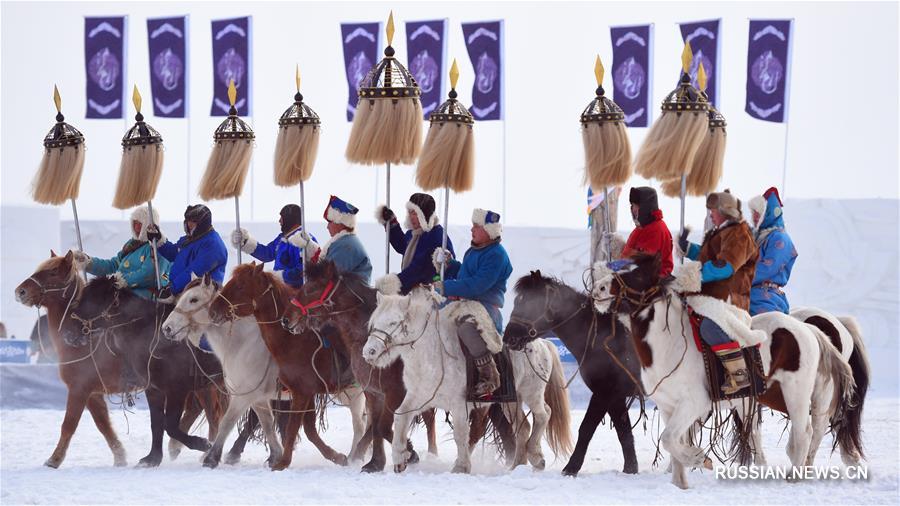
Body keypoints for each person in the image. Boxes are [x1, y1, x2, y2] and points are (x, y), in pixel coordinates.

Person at [678, 190, 759, 395]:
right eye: (710, 210)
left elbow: (725, 266)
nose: (710, 214)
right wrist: (688, 249)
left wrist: (694, 275)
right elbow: (709, 256)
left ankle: (739, 373)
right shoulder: (721, 231)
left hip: (730, 301)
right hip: (711, 299)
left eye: (713, 210)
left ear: (724, 211)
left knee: (709, 328)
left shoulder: (740, 234)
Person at [435, 208, 513, 398]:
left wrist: (446, 287)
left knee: (466, 329)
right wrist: (451, 265)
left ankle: (489, 375)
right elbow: (466, 275)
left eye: (477, 226)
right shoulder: (475, 250)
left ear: (489, 231)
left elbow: (478, 285)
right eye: (473, 226)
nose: (472, 230)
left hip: (485, 308)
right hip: (467, 304)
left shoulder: (496, 255)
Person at [71, 207, 171, 300]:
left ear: (148, 225)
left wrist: (122, 280)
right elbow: (113, 265)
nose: (136, 228)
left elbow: (149, 274)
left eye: (140, 224)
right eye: (134, 223)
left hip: (144, 299)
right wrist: (89, 263)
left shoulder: (157, 246)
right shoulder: (131, 245)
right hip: (123, 293)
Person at [375, 193, 455, 295]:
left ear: (424, 215)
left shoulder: (437, 236)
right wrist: (391, 224)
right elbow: (402, 246)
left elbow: (420, 267)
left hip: (431, 294)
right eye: (409, 212)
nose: (411, 217)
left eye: (415, 213)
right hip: (412, 289)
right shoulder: (415, 233)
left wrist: (396, 282)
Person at [149, 204, 228, 301]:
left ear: (203, 223)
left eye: (193, 221)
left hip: (203, 299)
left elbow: (195, 271)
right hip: (184, 293)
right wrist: (158, 240)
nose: (189, 224)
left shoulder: (213, 244)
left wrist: (172, 289)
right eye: (187, 220)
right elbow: (173, 253)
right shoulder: (189, 239)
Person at [230, 204, 317, 288]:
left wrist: (278, 277)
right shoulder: (282, 238)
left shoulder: (303, 240)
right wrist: (245, 242)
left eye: (282, 218)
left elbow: (303, 271)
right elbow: (267, 253)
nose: (279, 221)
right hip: (281, 290)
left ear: (289, 219)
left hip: (295, 294)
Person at [747, 187, 797, 316]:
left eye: (759, 213)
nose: (755, 217)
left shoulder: (780, 238)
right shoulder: (756, 237)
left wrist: (737, 277)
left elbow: (767, 269)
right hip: (749, 293)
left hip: (765, 298)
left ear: (769, 213)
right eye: (753, 212)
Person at [302, 195, 373, 284]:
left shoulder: (345, 246)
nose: (327, 227)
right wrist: (310, 247)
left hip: (350, 295)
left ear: (339, 223)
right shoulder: (346, 242)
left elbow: (328, 277)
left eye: (330, 222)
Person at [620, 187, 674, 278]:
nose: (633, 209)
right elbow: (631, 253)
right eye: (632, 205)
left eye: (636, 205)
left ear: (645, 207)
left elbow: (643, 262)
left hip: (655, 281)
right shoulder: (643, 227)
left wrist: (616, 266)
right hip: (641, 277)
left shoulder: (656, 230)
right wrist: (615, 245)